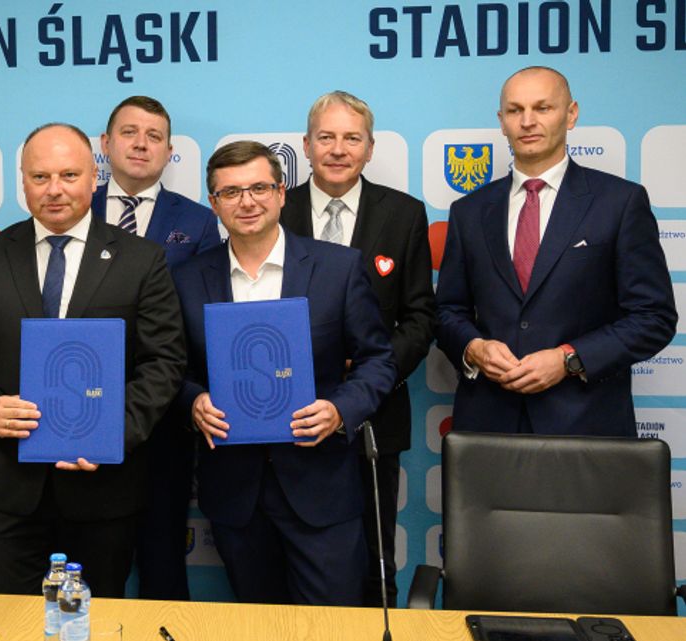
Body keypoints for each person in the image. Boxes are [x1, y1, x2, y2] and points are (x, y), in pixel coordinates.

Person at [0, 123, 186, 598]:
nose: (54, 190)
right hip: (7, 491)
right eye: (40, 177)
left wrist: (113, 432)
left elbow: (163, 363)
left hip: (103, 490)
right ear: (23, 182)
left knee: (93, 624)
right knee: (7, 626)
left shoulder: (141, 259)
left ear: (93, 177)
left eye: (68, 175)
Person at [173, 141, 394, 605]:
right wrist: (193, 401)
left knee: (334, 631)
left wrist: (340, 409)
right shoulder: (187, 279)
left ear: (281, 193)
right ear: (213, 203)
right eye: (230, 192)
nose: (246, 201)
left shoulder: (338, 268)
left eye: (258, 187)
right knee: (259, 625)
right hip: (236, 494)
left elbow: (378, 360)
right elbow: (173, 369)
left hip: (321, 487)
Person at [436, 66, 676, 437]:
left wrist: (569, 359)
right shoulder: (469, 211)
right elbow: (447, 311)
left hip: (586, 427)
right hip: (488, 428)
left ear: (572, 114)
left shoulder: (620, 202)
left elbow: (653, 317)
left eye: (543, 108)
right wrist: (474, 347)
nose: (528, 121)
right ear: (501, 122)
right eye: (515, 111)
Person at [280, 91, 435, 607]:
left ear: (370, 148)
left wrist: (372, 376)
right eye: (326, 137)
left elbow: (420, 316)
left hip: (375, 416)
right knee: (291, 562)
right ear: (305, 145)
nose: (338, 149)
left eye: (352, 138)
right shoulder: (274, 207)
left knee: (374, 562)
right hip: (289, 415)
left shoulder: (405, 214)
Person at [93, 95, 221, 600]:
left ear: (169, 151)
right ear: (105, 144)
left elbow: (207, 316)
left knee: (163, 556)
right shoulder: (73, 208)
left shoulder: (198, 222)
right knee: (93, 560)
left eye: (153, 136)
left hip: (165, 415)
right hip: (89, 407)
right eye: (129, 132)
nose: (141, 143)